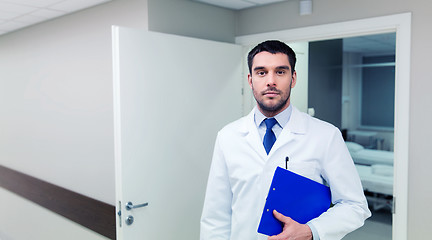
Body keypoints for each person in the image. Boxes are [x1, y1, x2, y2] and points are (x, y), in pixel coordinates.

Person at [200, 40, 371, 240]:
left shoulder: (325, 136)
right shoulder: (228, 136)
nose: (270, 81)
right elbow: (216, 216)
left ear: (293, 78)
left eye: (280, 72)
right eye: (261, 72)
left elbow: (355, 206)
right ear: (250, 79)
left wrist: (311, 231)